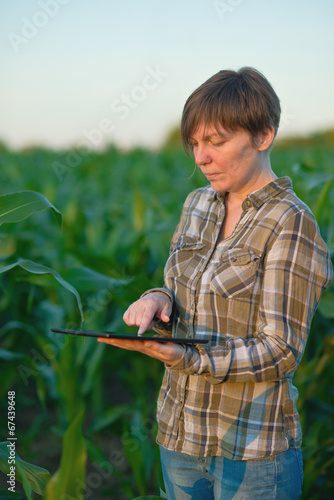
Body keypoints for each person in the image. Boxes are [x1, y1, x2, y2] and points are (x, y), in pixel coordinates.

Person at [98, 67, 333, 499]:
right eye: (195, 143)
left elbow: (280, 349)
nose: (200, 158)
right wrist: (156, 299)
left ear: (263, 135)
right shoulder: (198, 205)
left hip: (252, 451)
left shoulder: (291, 223)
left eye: (217, 142)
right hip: (180, 435)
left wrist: (188, 358)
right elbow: (181, 286)